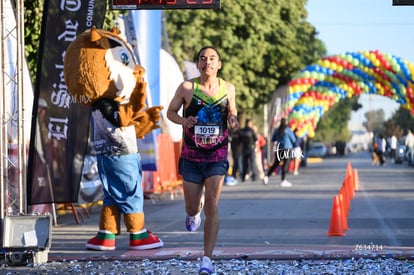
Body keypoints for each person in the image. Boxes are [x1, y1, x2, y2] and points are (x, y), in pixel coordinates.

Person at [167, 46, 239, 275]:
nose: (207, 62)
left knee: (213, 205)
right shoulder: (188, 87)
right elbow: (170, 112)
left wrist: (233, 120)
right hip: (191, 156)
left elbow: (232, 112)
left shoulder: (228, 88)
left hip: (217, 156)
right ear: (198, 64)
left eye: (212, 59)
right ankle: (192, 213)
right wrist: (182, 121)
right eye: (203, 59)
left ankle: (207, 259)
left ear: (219, 64)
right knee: (191, 206)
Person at [263, 118, 296, 187]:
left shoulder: (277, 130)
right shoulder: (288, 130)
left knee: (275, 164)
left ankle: (267, 176)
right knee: (285, 165)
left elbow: (273, 139)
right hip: (287, 149)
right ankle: (283, 180)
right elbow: (293, 139)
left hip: (279, 149)